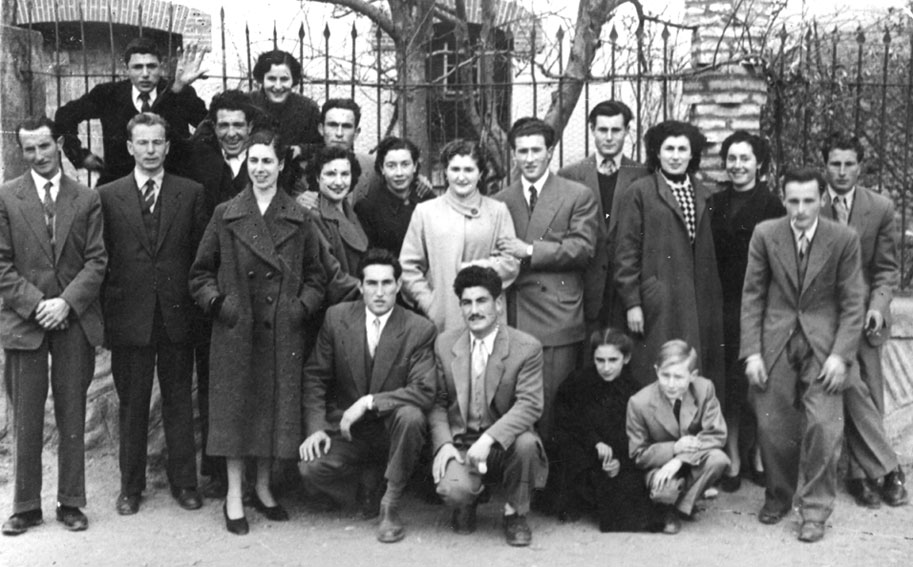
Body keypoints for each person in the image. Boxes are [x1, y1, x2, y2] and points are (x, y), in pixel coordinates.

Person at [189, 129, 326, 535]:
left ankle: (264, 488)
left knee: (271, 408)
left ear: (281, 165)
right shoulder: (225, 213)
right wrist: (221, 305)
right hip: (238, 328)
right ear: (245, 165)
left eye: (268, 161)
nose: (261, 169)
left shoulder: (299, 217)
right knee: (236, 412)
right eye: (254, 162)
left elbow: (318, 277)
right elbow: (199, 274)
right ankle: (234, 494)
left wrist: (300, 309)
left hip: (281, 331)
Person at [741, 167, 865, 543]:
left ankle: (814, 510)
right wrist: (752, 353)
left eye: (808, 200)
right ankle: (778, 495)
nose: (800, 209)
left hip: (824, 344)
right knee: (771, 423)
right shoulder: (765, 234)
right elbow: (753, 295)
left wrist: (841, 356)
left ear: (822, 198)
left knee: (824, 427)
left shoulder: (843, 238)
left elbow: (854, 301)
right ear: (783, 198)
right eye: (792, 201)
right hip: (776, 338)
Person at [0, 116, 107, 535]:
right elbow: (2, 265)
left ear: (59, 143)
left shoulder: (85, 198)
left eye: (45, 146)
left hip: (72, 320)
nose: (40, 156)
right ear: (21, 151)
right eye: (30, 149)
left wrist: (66, 303)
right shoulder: (7, 197)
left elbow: (97, 260)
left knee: (72, 413)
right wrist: (37, 304)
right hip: (25, 323)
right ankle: (25, 506)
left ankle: (71, 502)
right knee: (26, 415)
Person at [97, 113, 206, 515]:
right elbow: (101, 259)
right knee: (133, 404)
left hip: (177, 314)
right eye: (142, 143)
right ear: (129, 147)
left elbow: (199, 257)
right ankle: (131, 487)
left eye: (157, 142)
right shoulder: (108, 195)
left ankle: (184, 483)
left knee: (178, 400)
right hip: (129, 317)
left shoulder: (190, 192)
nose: (150, 150)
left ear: (167, 146)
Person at [299, 249, 437, 543]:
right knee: (310, 467)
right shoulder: (336, 318)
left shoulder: (419, 328)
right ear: (359, 286)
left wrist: (369, 402)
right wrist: (315, 429)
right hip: (349, 432)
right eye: (371, 284)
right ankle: (367, 483)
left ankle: (390, 504)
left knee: (411, 415)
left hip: (392, 432)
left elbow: (424, 391)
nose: (379, 292)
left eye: (387, 284)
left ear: (399, 286)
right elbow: (315, 376)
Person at [494, 117, 599, 445]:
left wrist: (528, 249)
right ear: (513, 154)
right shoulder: (500, 199)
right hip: (512, 312)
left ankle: (551, 480)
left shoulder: (576, 195)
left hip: (556, 312)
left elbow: (583, 249)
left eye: (536, 150)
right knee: (517, 399)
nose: (529, 158)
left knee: (552, 401)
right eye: (521, 151)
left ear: (550, 152)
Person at [430, 266, 548, 547]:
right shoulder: (445, 344)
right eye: (467, 303)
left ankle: (515, 512)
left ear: (498, 303)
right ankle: (469, 498)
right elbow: (436, 402)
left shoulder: (526, 347)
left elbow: (530, 405)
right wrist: (444, 444)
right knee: (452, 490)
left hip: (505, 444)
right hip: (462, 442)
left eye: (481, 301)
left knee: (527, 444)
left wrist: (489, 438)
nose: (474, 310)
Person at [821, 132, 907, 508]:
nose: (842, 172)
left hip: (867, 320)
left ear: (860, 166)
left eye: (849, 164)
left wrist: (878, 305)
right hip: (827, 321)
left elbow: (887, 270)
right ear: (825, 166)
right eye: (835, 164)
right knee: (851, 387)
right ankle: (887, 470)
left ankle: (863, 477)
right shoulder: (808, 203)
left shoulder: (881, 207)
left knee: (868, 394)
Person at [614, 120, 725, 395]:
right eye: (669, 149)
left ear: (692, 154)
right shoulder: (640, 192)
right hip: (659, 300)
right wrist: (632, 303)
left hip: (698, 299)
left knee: (694, 368)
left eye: (682, 149)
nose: (675, 156)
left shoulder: (704, 194)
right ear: (657, 153)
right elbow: (625, 252)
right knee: (657, 369)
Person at [707, 131, 785, 491]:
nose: (737, 166)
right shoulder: (715, 202)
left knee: (758, 385)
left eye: (745, 158)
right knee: (730, 385)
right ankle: (735, 457)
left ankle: (758, 456)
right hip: (723, 304)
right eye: (732, 159)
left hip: (759, 306)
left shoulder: (772, 206)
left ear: (759, 163)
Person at [552, 327, 664, 532]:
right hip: (584, 451)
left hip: (617, 457)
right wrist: (595, 442)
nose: (606, 368)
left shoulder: (634, 391)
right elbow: (567, 420)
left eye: (613, 360)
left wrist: (618, 459)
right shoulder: (577, 382)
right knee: (566, 448)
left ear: (626, 358)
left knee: (629, 493)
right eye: (600, 360)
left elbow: (637, 434)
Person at [400, 140, 519, 332]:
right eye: (455, 169)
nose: (461, 177)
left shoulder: (497, 211)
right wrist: (430, 303)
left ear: (480, 173)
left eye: (469, 170)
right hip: (444, 316)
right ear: (445, 172)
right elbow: (407, 265)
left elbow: (511, 262)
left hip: (487, 314)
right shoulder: (426, 212)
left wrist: (473, 268)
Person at [54, 37, 208, 185]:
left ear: (161, 66)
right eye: (138, 67)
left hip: (170, 186)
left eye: (152, 66)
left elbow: (210, 127)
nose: (145, 74)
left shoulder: (180, 91)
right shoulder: (108, 94)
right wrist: (80, 156)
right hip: (119, 187)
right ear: (126, 69)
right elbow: (65, 115)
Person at [558, 100, 649, 327]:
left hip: (628, 291)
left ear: (627, 131)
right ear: (592, 130)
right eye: (602, 130)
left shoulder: (643, 175)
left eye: (616, 130)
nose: (609, 137)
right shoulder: (569, 175)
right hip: (584, 288)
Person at [626, 339, 730, 535]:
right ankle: (665, 506)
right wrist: (673, 449)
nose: (671, 384)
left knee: (719, 459)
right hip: (659, 465)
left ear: (693, 376)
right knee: (663, 490)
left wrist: (680, 460)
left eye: (678, 377)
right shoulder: (639, 402)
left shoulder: (704, 388)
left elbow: (716, 433)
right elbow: (638, 455)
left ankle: (679, 508)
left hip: (689, 460)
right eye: (665, 375)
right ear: (656, 370)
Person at [354, 136, 434, 255]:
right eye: (391, 165)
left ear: (415, 166)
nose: (399, 173)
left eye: (405, 164)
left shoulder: (428, 200)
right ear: (382, 168)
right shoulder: (367, 208)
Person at [304, 146, 369, 276]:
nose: (339, 182)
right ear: (317, 177)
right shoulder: (314, 216)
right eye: (331, 174)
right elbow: (330, 274)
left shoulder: (350, 211)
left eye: (345, 174)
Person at [249, 50, 322, 162]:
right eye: (271, 79)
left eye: (284, 79)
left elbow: (321, 145)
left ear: (293, 80)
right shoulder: (248, 104)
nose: (278, 87)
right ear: (261, 80)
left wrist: (300, 150)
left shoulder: (308, 108)